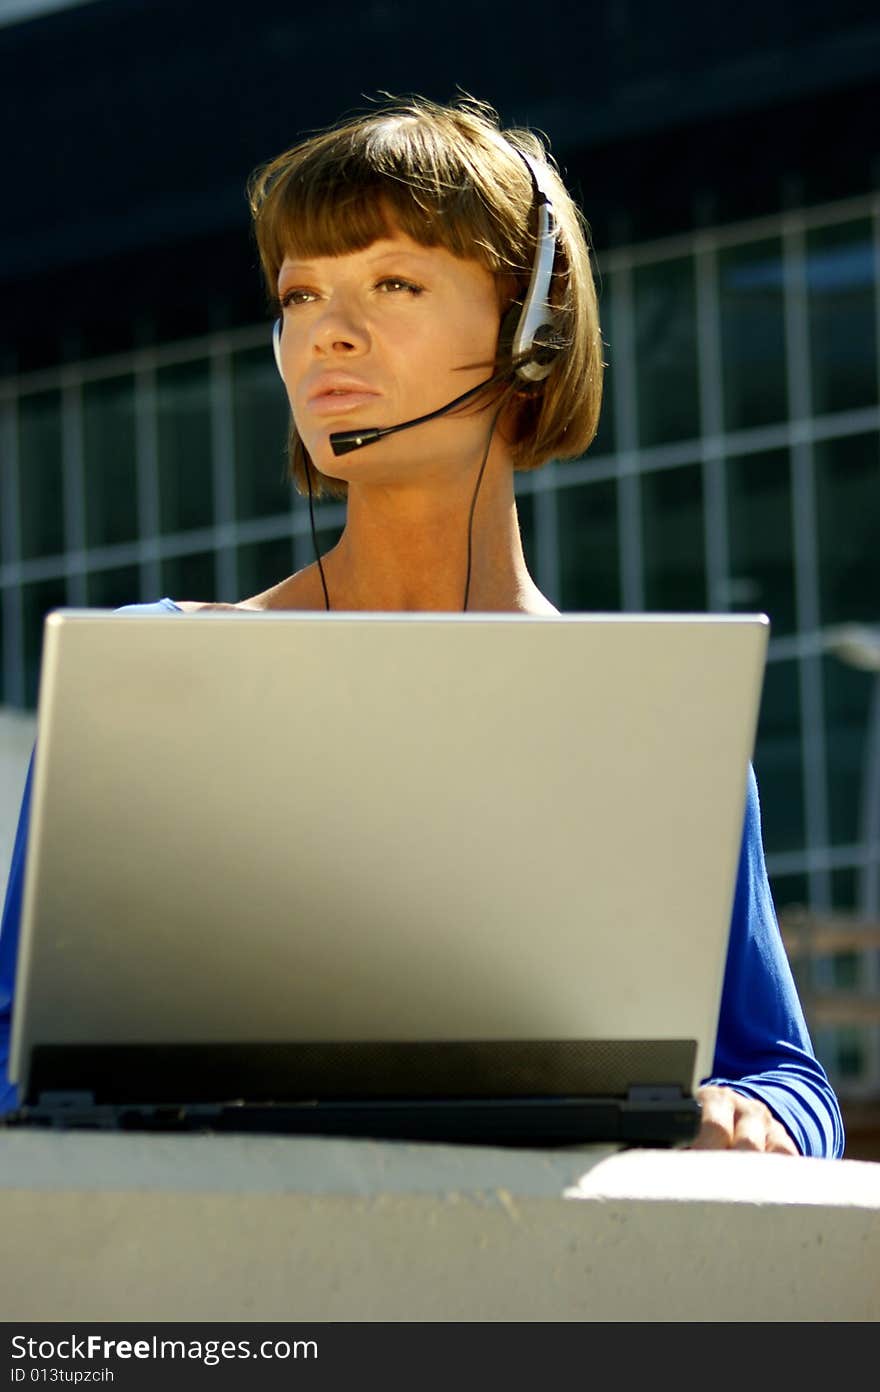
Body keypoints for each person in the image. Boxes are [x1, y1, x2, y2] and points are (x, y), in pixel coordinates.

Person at [0, 96, 844, 1157]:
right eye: (299, 293)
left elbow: (786, 1079)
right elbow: (15, 1054)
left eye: (392, 282)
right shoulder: (150, 669)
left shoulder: (652, 713)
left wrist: (755, 1114)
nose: (325, 331)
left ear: (529, 329)